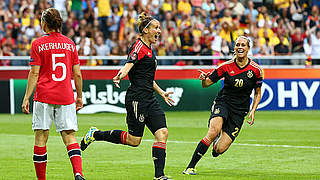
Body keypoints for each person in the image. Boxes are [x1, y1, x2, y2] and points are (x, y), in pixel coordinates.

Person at [80, 12, 174, 180]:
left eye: (159, 28)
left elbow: (147, 78)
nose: (159, 31)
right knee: (134, 140)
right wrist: (120, 75)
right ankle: (96, 134)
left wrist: (162, 93)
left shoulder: (150, 50)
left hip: (150, 99)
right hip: (137, 99)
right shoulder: (138, 47)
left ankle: (159, 176)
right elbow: (128, 65)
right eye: (156, 28)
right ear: (145, 30)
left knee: (163, 133)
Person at [183, 36, 263, 175]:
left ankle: (216, 145)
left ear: (248, 48)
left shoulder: (256, 70)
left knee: (219, 150)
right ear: (234, 48)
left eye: (243, 45)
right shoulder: (225, 66)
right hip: (223, 103)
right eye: (237, 44)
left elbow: (257, 92)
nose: (240, 47)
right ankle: (190, 167)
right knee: (213, 132)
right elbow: (207, 83)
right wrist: (203, 80)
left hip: (240, 111)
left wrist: (253, 110)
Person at [21, 8, 85, 180]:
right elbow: (77, 74)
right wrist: (79, 96)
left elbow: (34, 73)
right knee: (70, 136)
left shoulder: (38, 44)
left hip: (44, 96)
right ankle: (78, 173)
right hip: (65, 96)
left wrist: (27, 97)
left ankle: (42, 179)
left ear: (44, 23)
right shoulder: (70, 44)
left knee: (41, 138)